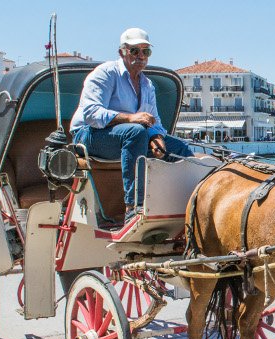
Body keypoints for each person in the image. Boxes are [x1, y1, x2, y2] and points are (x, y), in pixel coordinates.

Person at [70, 27, 193, 222]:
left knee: (180, 149)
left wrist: (156, 137)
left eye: (146, 51)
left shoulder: (147, 85)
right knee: (135, 132)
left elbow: (154, 121)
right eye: (135, 50)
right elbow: (91, 114)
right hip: (88, 135)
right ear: (122, 52)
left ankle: (189, 207)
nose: (141, 56)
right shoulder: (105, 73)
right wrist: (130, 118)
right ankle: (133, 207)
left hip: (131, 135)